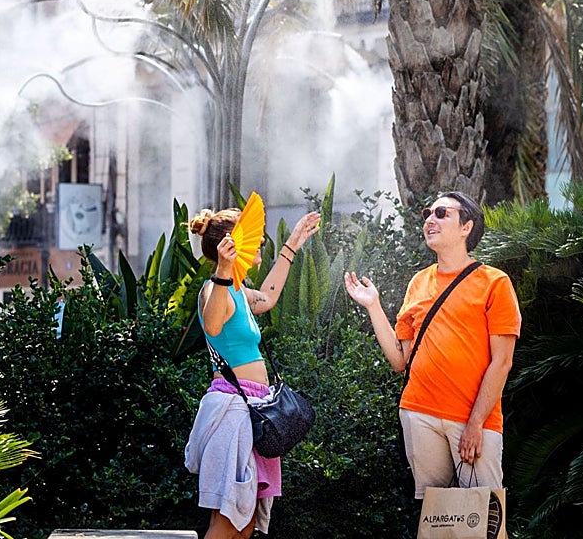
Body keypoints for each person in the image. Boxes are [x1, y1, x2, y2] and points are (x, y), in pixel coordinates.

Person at [344, 191, 521, 499]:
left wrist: (475, 423)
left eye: (441, 214)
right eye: (427, 214)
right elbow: (401, 361)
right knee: (438, 519)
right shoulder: (418, 282)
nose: (429, 220)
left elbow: (502, 362)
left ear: (466, 227)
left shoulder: (495, 283)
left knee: (487, 519)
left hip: (473, 419)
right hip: (419, 413)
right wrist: (373, 306)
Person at [184, 204, 322, 539]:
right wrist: (223, 269)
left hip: (256, 412)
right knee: (227, 519)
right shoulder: (215, 289)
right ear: (231, 245)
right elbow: (214, 325)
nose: (259, 245)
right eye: (253, 240)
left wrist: (291, 245)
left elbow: (270, 297)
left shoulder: (238, 292)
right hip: (233, 409)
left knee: (245, 526)